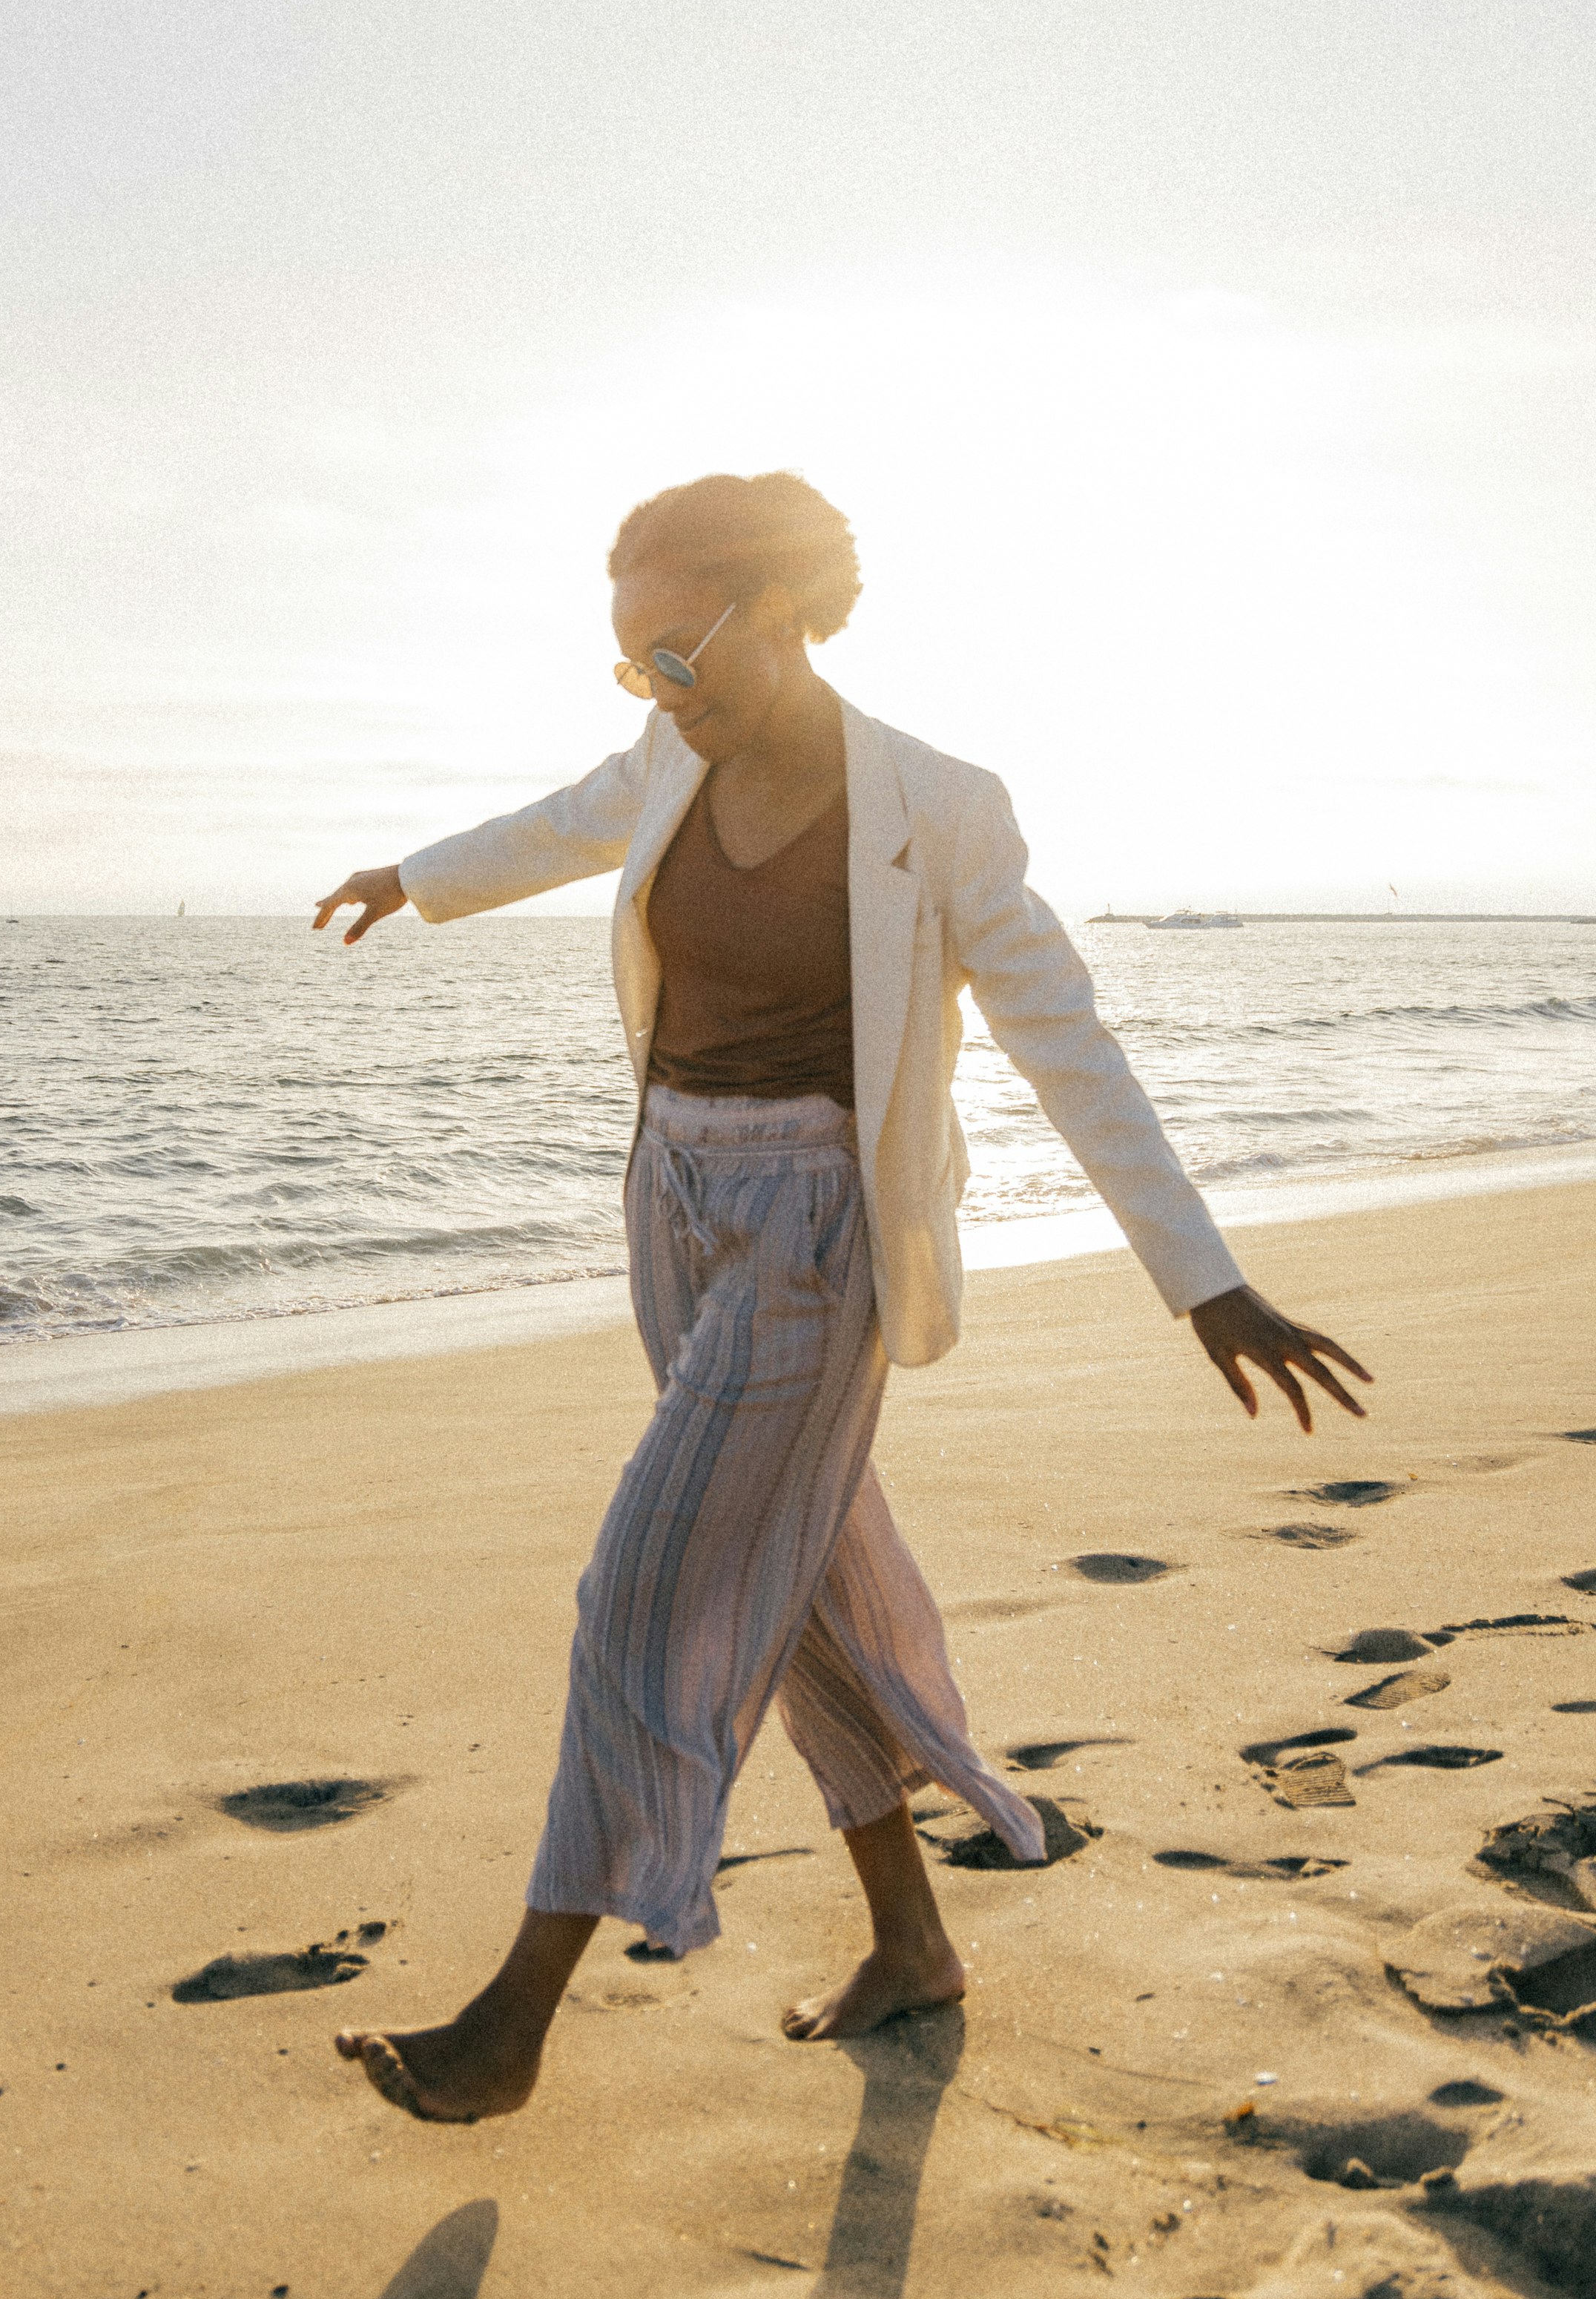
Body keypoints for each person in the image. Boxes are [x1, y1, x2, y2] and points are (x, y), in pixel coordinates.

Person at [312, 470, 1370, 2126]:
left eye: (674, 654)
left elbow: (1063, 1037)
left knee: (645, 1593)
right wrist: (413, 872)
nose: (653, 693)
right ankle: (914, 1941)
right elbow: (570, 817)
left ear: (780, 611)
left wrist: (1204, 1278)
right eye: (629, 665)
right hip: (671, 1202)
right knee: (800, 1589)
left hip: (816, 1238)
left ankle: (513, 2015)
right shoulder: (676, 749)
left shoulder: (935, 806)